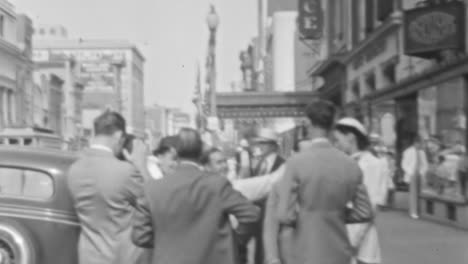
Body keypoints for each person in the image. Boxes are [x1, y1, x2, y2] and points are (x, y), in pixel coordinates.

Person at [131, 127, 261, 264]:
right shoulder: (216, 184)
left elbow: (140, 236)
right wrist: (235, 240)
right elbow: (252, 213)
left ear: (175, 152)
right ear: (201, 153)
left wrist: (167, 243)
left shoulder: (152, 188)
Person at [276, 99, 374, 264]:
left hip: (306, 248)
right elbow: (365, 211)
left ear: (308, 123)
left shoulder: (296, 163)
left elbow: (285, 214)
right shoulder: (350, 164)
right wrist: (337, 213)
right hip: (340, 249)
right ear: (332, 125)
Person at [67, 111, 148, 264]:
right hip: (121, 258)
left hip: (88, 257)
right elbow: (156, 202)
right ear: (118, 136)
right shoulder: (125, 171)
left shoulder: (74, 169)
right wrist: (141, 165)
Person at [334, 118, 383, 264]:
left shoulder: (372, 164)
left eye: (338, 139)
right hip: (341, 238)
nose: (336, 144)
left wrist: (351, 243)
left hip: (360, 244)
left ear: (351, 137)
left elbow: (369, 208)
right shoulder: (344, 162)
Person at [401, 132, 428, 219]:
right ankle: (413, 212)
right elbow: (404, 164)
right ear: (416, 143)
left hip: (419, 174)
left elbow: (425, 164)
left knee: (420, 193)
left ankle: (419, 210)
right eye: (420, 143)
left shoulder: (422, 153)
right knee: (413, 194)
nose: (421, 145)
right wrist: (410, 172)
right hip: (412, 174)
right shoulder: (408, 151)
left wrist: (422, 172)